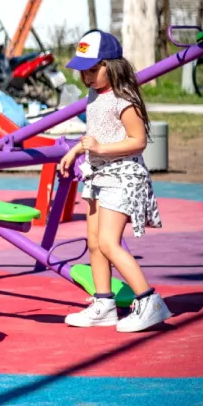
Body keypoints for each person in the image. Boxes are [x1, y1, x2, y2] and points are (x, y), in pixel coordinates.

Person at [58, 30, 169, 332]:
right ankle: (103, 304)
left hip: (123, 176)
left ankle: (149, 301)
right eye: (83, 70)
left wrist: (99, 149)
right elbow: (97, 134)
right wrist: (77, 150)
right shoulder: (93, 95)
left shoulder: (123, 98)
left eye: (94, 69)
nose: (87, 76)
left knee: (108, 242)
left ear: (112, 65)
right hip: (98, 175)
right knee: (94, 243)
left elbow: (139, 140)